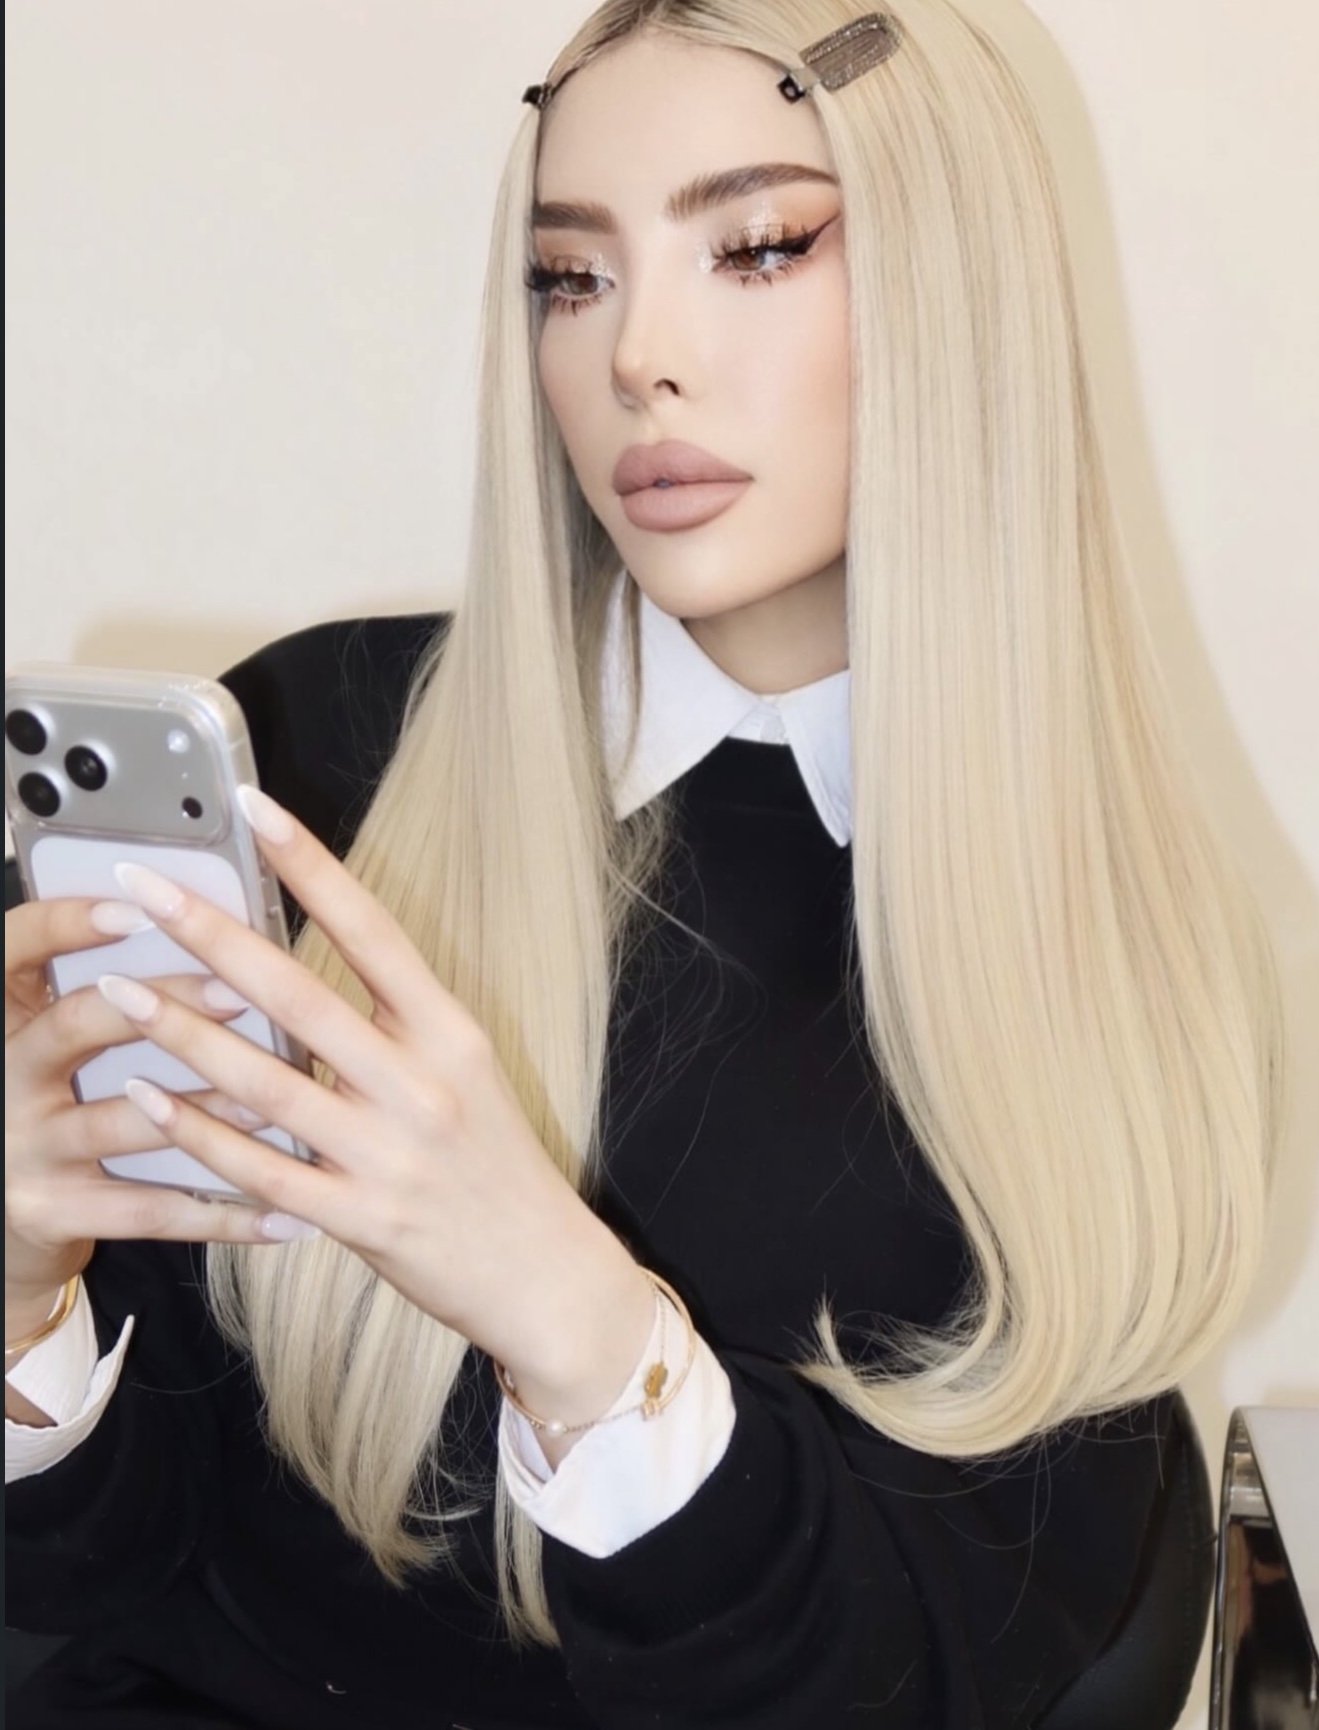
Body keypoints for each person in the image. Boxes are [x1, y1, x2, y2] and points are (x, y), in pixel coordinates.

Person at [4, 2, 1287, 1726]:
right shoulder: (311, 751)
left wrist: (575, 1317)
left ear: (959, 289)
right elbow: (99, 1574)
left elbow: (922, 1678)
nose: (638, 357)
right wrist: (22, 1306)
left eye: (756, 248)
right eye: (570, 275)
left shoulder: (1113, 971)